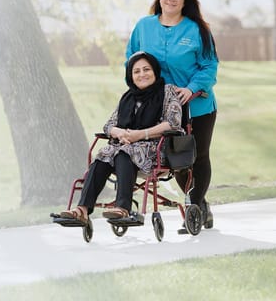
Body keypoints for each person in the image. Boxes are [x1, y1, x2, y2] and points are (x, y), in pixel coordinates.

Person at [125, 0, 219, 232]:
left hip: (197, 106)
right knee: (175, 158)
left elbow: (210, 66)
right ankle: (199, 206)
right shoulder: (144, 27)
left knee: (196, 156)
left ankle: (195, 206)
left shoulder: (198, 29)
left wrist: (191, 88)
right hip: (157, 108)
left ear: (184, 1)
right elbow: (131, 59)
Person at [59, 51, 184, 223]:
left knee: (124, 152)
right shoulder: (128, 97)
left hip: (156, 149)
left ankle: (123, 208)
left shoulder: (167, 91)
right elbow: (109, 125)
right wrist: (119, 133)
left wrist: (140, 134)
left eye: (146, 69)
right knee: (104, 154)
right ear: (131, 76)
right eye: (136, 71)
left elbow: (173, 123)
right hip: (125, 145)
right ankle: (82, 210)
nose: (142, 74)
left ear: (155, 71)